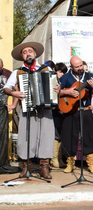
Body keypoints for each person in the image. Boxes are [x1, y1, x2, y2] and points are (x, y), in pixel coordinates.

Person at [4, 42, 59, 179]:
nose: (28, 53)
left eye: (30, 51)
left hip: (45, 109)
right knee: (25, 137)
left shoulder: (46, 69)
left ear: (35, 54)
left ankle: (44, 168)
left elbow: (56, 86)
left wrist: (58, 88)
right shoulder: (18, 72)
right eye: (24, 52)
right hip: (27, 109)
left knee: (46, 136)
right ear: (22, 56)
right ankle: (25, 167)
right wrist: (14, 93)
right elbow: (6, 88)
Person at [59, 56, 93, 174]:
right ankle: (70, 163)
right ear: (71, 67)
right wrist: (67, 92)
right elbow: (56, 91)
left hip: (85, 110)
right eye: (77, 66)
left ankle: (91, 164)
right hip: (70, 110)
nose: (80, 68)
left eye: (81, 65)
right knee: (69, 136)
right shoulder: (65, 77)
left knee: (89, 136)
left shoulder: (89, 76)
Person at [0, 59, 19, 174]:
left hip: (1, 109)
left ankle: (2, 164)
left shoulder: (7, 74)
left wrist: (13, 104)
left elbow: (16, 90)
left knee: (2, 137)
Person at [50, 62, 68, 169]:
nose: (61, 74)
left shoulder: (64, 82)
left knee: (61, 134)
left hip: (62, 111)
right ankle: (54, 158)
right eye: (60, 72)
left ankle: (60, 158)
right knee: (56, 134)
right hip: (53, 110)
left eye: (64, 72)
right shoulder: (52, 81)